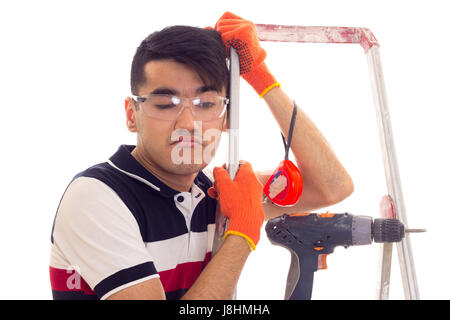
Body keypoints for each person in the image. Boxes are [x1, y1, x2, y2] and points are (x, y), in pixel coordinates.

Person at [49, 12, 354, 300]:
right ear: (132, 114)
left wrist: (261, 78)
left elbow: (332, 186)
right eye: (165, 103)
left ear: (227, 118)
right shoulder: (97, 197)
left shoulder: (212, 192)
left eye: (206, 104)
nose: (187, 124)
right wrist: (242, 234)